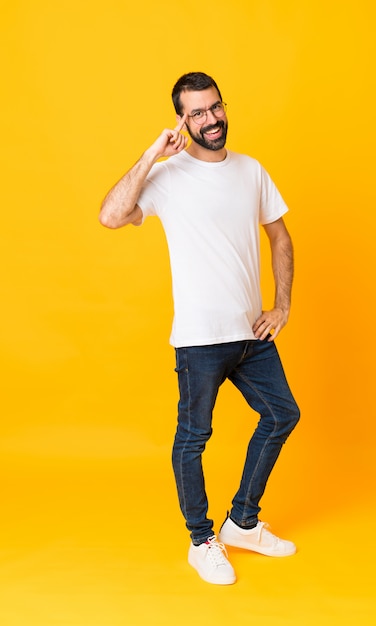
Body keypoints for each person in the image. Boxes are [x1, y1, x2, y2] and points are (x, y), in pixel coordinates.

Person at [99, 72, 300, 585]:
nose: (210, 120)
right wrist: (152, 154)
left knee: (282, 415)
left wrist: (281, 306)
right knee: (193, 438)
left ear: (223, 107)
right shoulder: (168, 177)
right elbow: (111, 216)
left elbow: (280, 237)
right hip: (199, 339)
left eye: (214, 108)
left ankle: (243, 523)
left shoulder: (251, 170)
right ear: (182, 121)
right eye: (197, 114)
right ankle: (201, 539)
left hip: (251, 336)